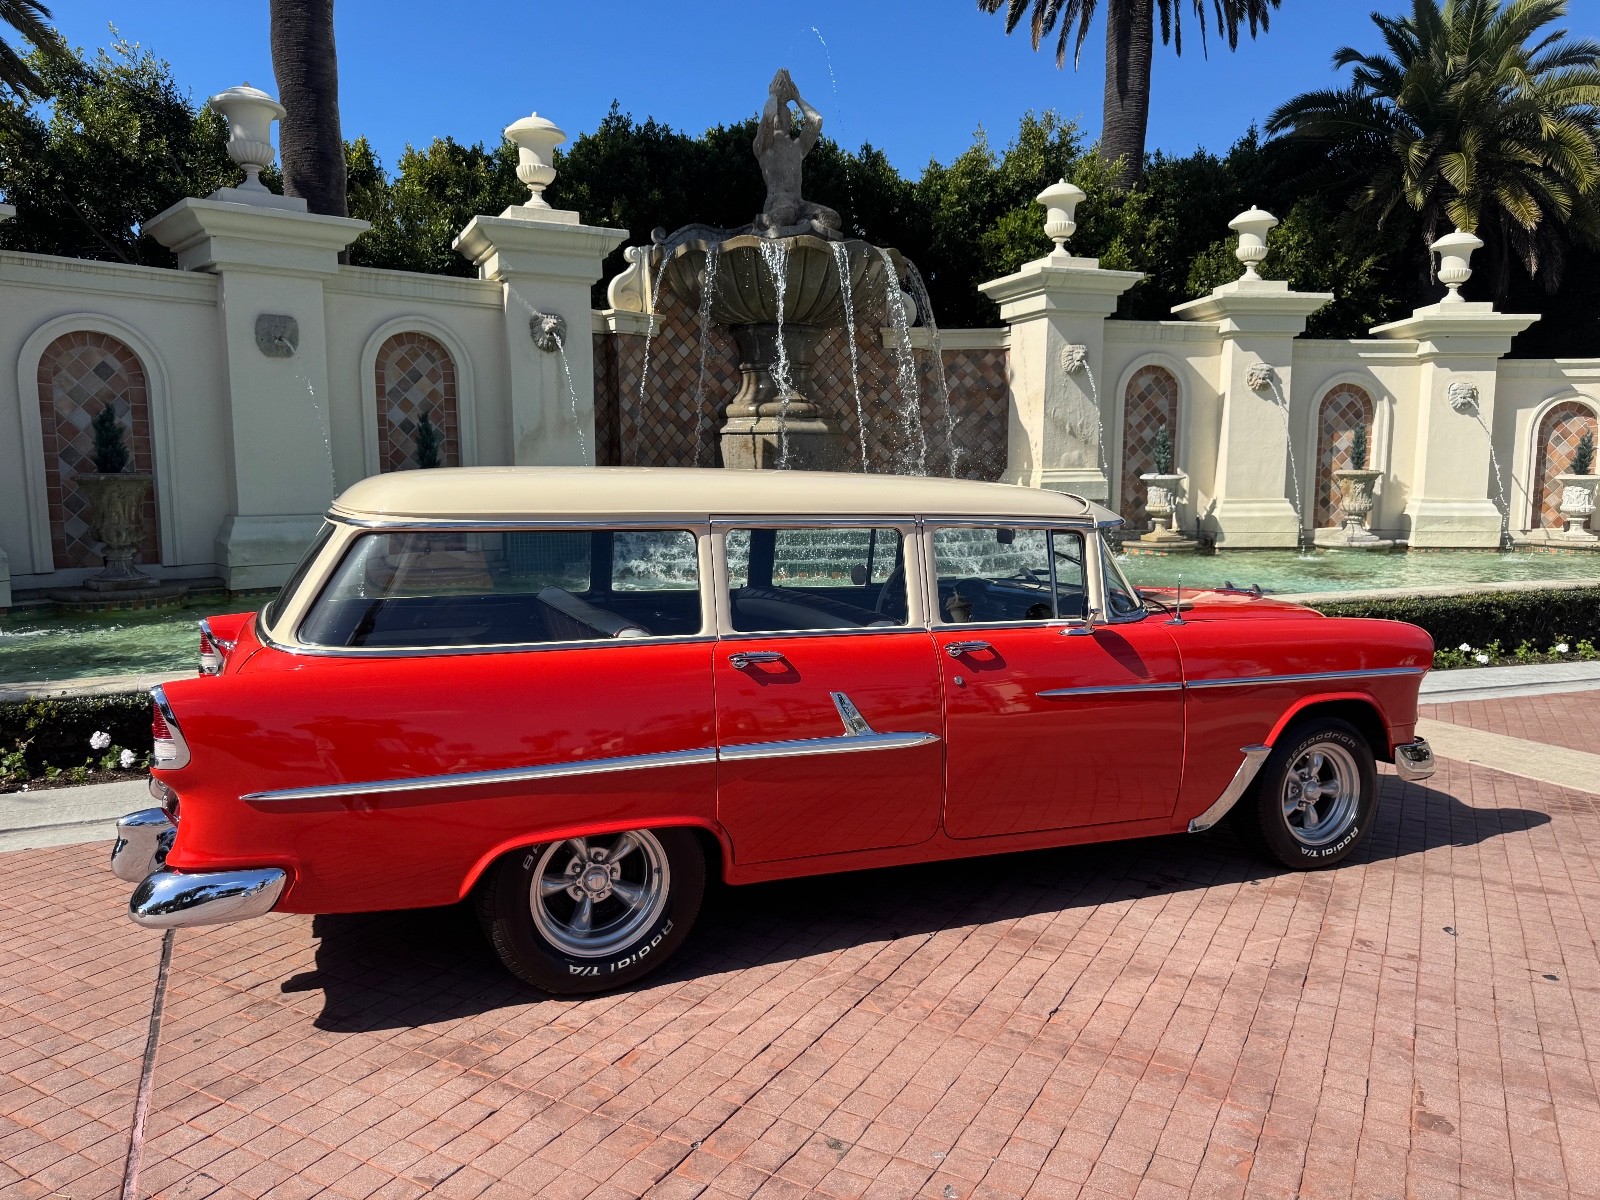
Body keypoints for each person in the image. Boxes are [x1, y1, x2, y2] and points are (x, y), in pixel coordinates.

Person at [752, 68, 841, 235]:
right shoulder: (764, 145)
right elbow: (768, 114)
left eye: (787, 113)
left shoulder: (797, 147)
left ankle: (801, 223)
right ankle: (764, 223)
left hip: (800, 205)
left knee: (832, 218)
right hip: (777, 205)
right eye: (779, 112)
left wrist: (797, 98)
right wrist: (773, 95)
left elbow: (816, 121)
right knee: (787, 214)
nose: (783, 116)